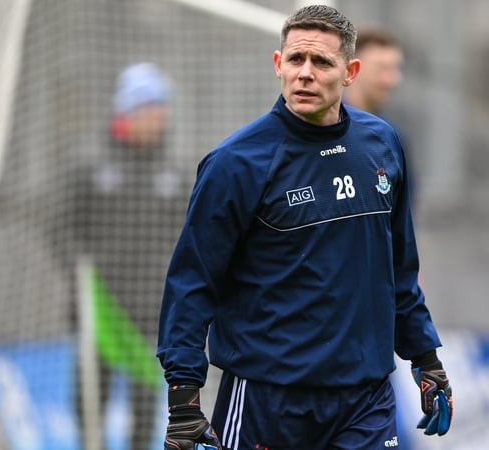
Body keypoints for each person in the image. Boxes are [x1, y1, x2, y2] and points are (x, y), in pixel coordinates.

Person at [157, 5, 453, 450]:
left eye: (322, 62)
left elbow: (398, 269)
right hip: (268, 399)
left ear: (350, 72)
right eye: (296, 59)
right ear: (279, 64)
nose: (306, 74)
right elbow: (192, 282)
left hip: (365, 399)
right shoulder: (235, 164)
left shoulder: (383, 144)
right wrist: (183, 397)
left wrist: (425, 358)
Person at [74, 62, 187, 450]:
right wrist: (79, 269)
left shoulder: (174, 174)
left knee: (144, 404)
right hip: (99, 310)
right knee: (90, 400)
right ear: (130, 111)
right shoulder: (91, 168)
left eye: (163, 109)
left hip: (149, 312)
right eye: (153, 108)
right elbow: (60, 225)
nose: (160, 118)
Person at [343, 27, 404, 116]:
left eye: (394, 69)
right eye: (381, 68)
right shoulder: (325, 119)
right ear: (352, 69)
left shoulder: (386, 124)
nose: (392, 80)